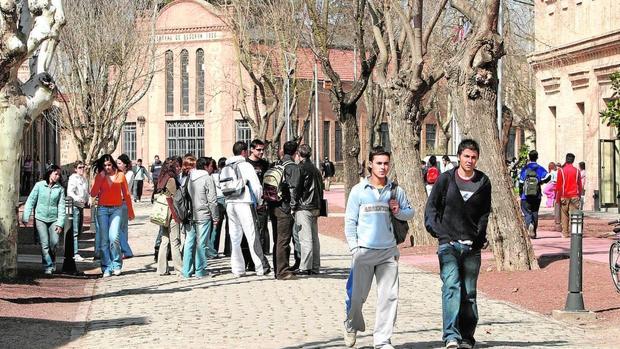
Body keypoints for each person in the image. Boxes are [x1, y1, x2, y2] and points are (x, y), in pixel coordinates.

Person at [343, 146, 414, 349]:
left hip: (388, 253)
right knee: (357, 297)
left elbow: (411, 213)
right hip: (363, 252)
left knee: (389, 297)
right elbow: (350, 222)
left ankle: (382, 340)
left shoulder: (395, 191)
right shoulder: (358, 191)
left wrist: (398, 211)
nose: (383, 167)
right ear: (370, 165)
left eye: (386, 163)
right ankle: (350, 324)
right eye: (379, 163)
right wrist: (354, 249)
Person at [424, 139, 492, 349]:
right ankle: (451, 336)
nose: (470, 160)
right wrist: (441, 234)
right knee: (451, 286)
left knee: (469, 293)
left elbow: (484, 214)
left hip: (472, 246)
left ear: (477, 158)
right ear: (459, 157)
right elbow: (431, 209)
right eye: (466, 156)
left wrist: (479, 239)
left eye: (473, 157)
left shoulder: (483, 182)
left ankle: (467, 337)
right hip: (448, 245)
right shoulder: (446, 180)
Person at [223, 141, 271, 277]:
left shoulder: (226, 166)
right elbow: (256, 187)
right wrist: (260, 201)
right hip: (244, 202)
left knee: (235, 237)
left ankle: (238, 269)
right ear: (244, 152)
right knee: (252, 235)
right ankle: (261, 267)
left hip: (230, 203)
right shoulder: (245, 165)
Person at [90, 154, 135, 277]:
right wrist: (100, 178)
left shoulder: (120, 175)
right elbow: (93, 193)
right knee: (104, 240)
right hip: (102, 210)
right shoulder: (100, 176)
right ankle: (106, 267)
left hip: (117, 209)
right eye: (105, 165)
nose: (107, 167)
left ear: (113, 164)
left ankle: (116, 264)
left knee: (114, 237)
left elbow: (126, 194)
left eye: (109, 164)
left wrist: (130, 212)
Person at [22, 165, 66, 275]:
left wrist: (60, 223)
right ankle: (48, 265)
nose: (57, 176)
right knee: (44, 243)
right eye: (56, 174)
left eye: (59, 175)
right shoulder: (39, 185)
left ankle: (52, 259)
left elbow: (61, 207)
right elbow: (30, 201)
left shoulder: (60, 189)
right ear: (50, 173)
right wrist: (25, 217)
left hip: (54, 219)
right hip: (40, 218)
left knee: (54, 243)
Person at [184, 156, 219, 278]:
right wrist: (215, 217)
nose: (212, 169)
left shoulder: (190, 177)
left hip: (190, 214)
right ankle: (200, 270)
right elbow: (212, 201)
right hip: (203, 214)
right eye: (211, 166)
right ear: (205, 167)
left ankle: (186, 271)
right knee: (202, 244)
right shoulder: (207, 178)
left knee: (189, 242)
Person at [270, 141, 300, 280]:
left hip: (273, 204)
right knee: (284, 239)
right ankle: (282, 271)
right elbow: (294, 189)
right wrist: (293, 207)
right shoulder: (292, 167)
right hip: (285, 206)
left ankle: (278, 268)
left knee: (277, 239)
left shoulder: (277, 164)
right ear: (296, 152)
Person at [294, 144, 324, 275]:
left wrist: (293, 204)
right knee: (314, 238)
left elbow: (297, 189)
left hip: (304, 205)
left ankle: (305, 266)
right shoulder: (316, 169)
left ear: (299, 155)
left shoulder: (301, 168)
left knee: (305, 238)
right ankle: (315, 266)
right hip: (316, 205)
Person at [156, 157, 184, 275]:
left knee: (164, 240)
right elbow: (172, 200)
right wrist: (176, 216)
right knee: (175, 241)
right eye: (177, 166)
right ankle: (179, 269)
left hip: (162, 214)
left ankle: (161, 269)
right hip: (171, 214)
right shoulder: (171, 179)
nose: (179, 168)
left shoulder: (162, 177)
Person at [246, 139, 271, 257]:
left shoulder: (265, 164)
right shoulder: (245, 164)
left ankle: (261, 253)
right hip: (248, 201)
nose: (261, 152)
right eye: (258, 150)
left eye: (263, 150)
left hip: (262, 202)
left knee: (262, 228)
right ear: (251, 149)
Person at [518, 150, 550, 239]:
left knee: (527, 212)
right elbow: (548, 176)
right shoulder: (540, 168)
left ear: (529, 157)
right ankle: (534, 232)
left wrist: (521, 193)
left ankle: (529, 225)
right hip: (537, 195)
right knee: (535, 212)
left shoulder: (525, 168)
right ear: (537, 157)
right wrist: (541, 182)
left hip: (526, 195)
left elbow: (520, 182)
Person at [556, 153, 583, 238]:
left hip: (564, 196)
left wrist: (558, 199)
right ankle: (575, 233)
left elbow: (559, 186)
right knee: (575, 215)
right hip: (574, 195)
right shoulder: (577, 171)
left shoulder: (561, 171)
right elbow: (579, 185)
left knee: (564, 215)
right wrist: (579, 195)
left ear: (566, 159)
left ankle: (565, 233)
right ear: (573, 160)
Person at [67, 161, 89, 262]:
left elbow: (85, 192)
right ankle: (74, 253)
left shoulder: (84, 179)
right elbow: (70, 192)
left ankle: (75, 251)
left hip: (81, 206)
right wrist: (77, 198)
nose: (82, 169)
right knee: (75, 230)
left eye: (83, 167)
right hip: (75, 206)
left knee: (79, 230)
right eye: (80, 167)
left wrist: (88, 199)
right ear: (75, 169)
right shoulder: (73, 178)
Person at [116, 154, 135, 258]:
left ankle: (126, 250)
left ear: (126, 165)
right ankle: (124, 249)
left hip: (123, 202)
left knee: (121, 228)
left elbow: (122, 186)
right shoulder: (119, 174)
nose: (117, 165)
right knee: (120, 227)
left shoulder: (129, 174)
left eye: (119, 163)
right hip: (117, 202)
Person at [212, 157, 230, 257]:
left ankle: (214, 249)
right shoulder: (228, 174)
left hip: (218, 199)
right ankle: (228, 250)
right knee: (229, 226)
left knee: (216, 227)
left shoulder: (213, 176)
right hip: (226, 199)